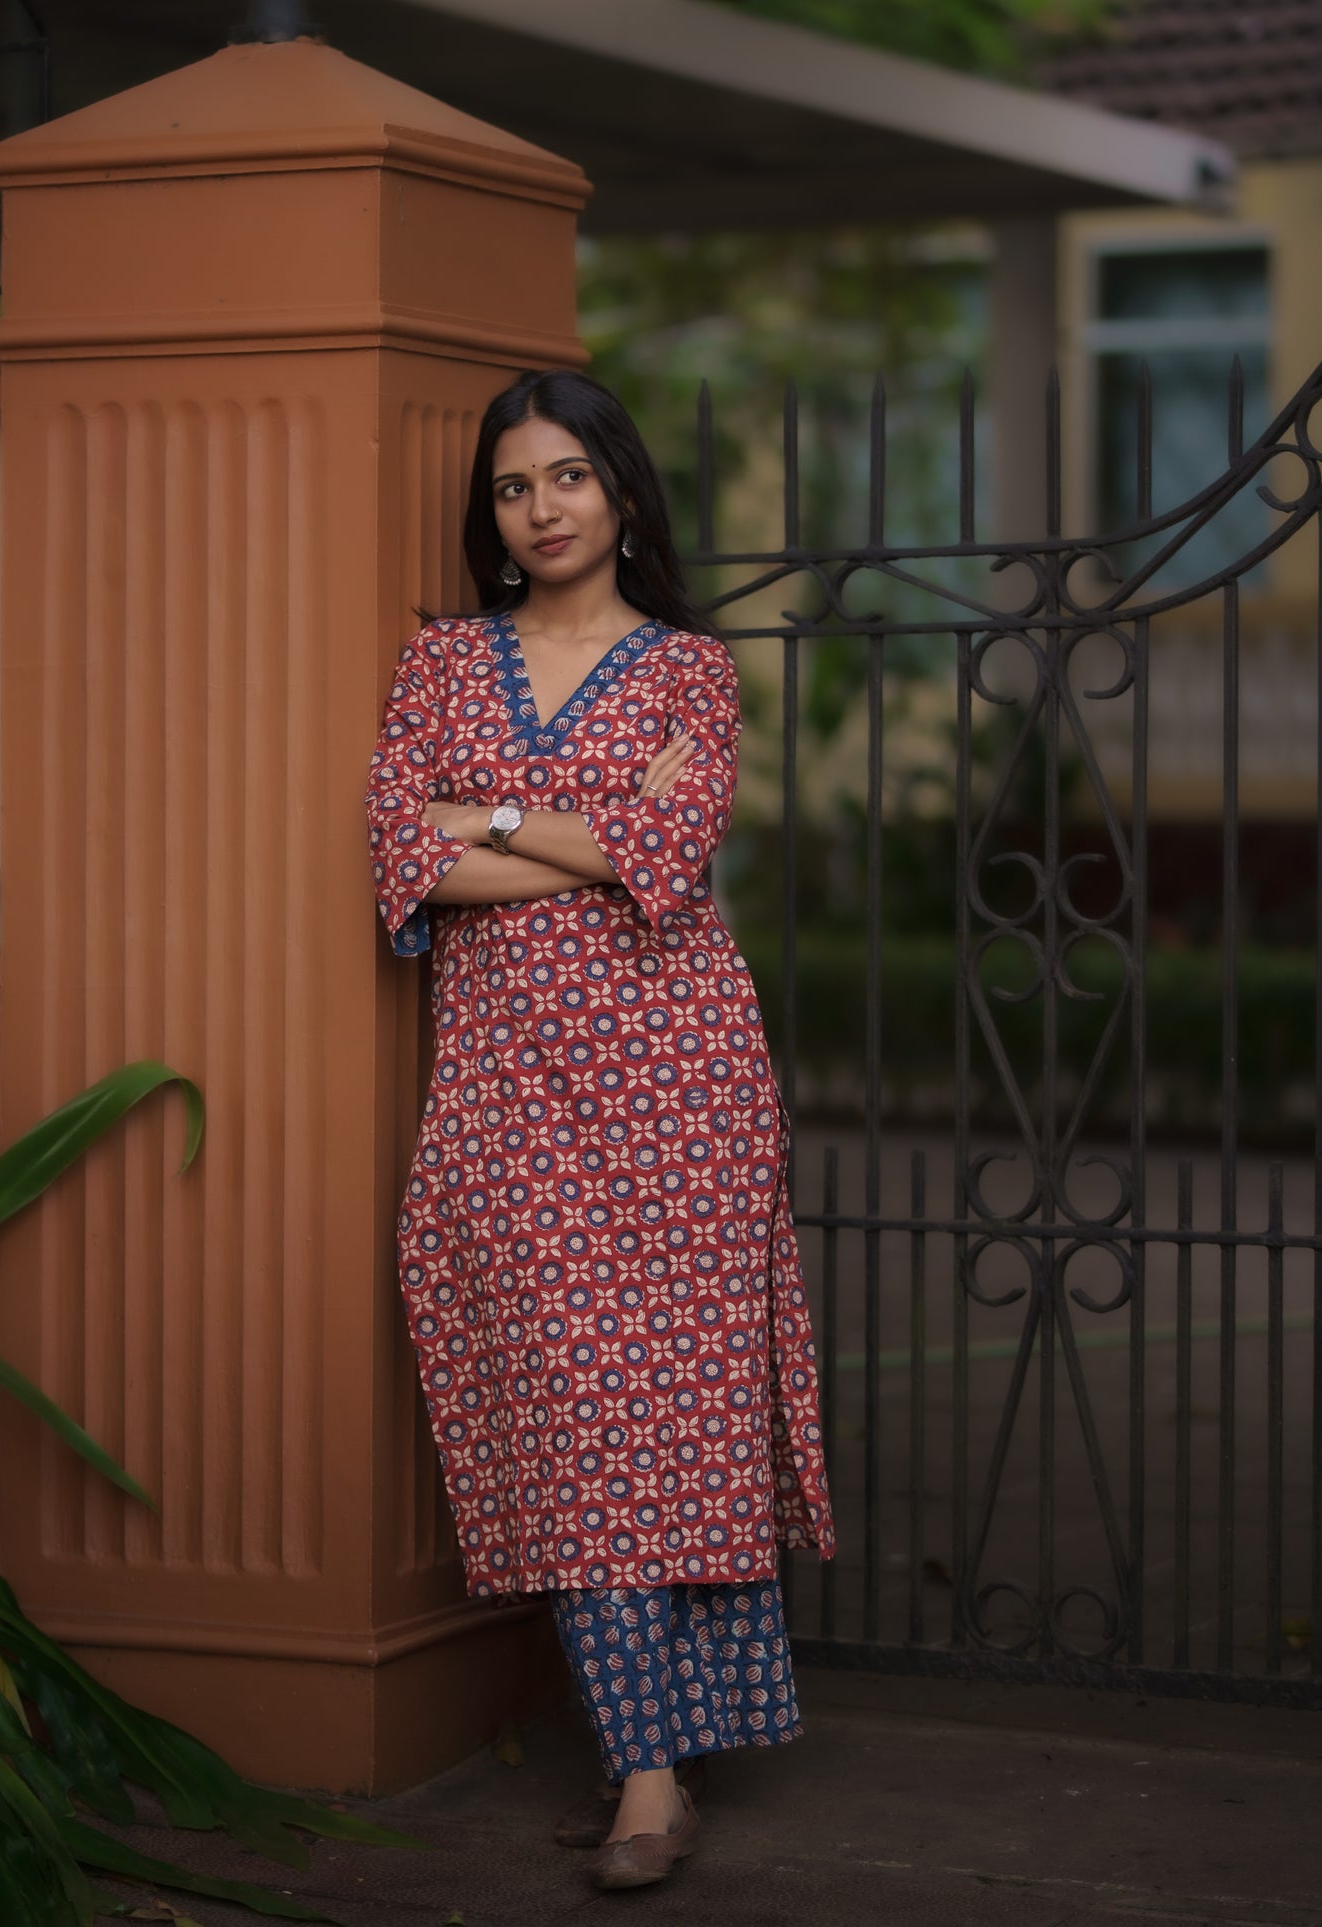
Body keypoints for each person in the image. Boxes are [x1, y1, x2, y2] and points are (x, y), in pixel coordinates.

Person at [364, 368, 834, 1893]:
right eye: (513, 486)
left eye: (567, 475)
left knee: (673, 1417)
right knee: (570, 1413)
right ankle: (652, 1754)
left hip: (677, 1084)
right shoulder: (440, 661)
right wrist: (566, 836)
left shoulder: (691, 671)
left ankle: (649, 1779)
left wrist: (479, 817)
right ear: (489, 515)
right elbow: (393, 853)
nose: (542, 507)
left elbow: (672, 859)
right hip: (503, 1092)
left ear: (620, 491)